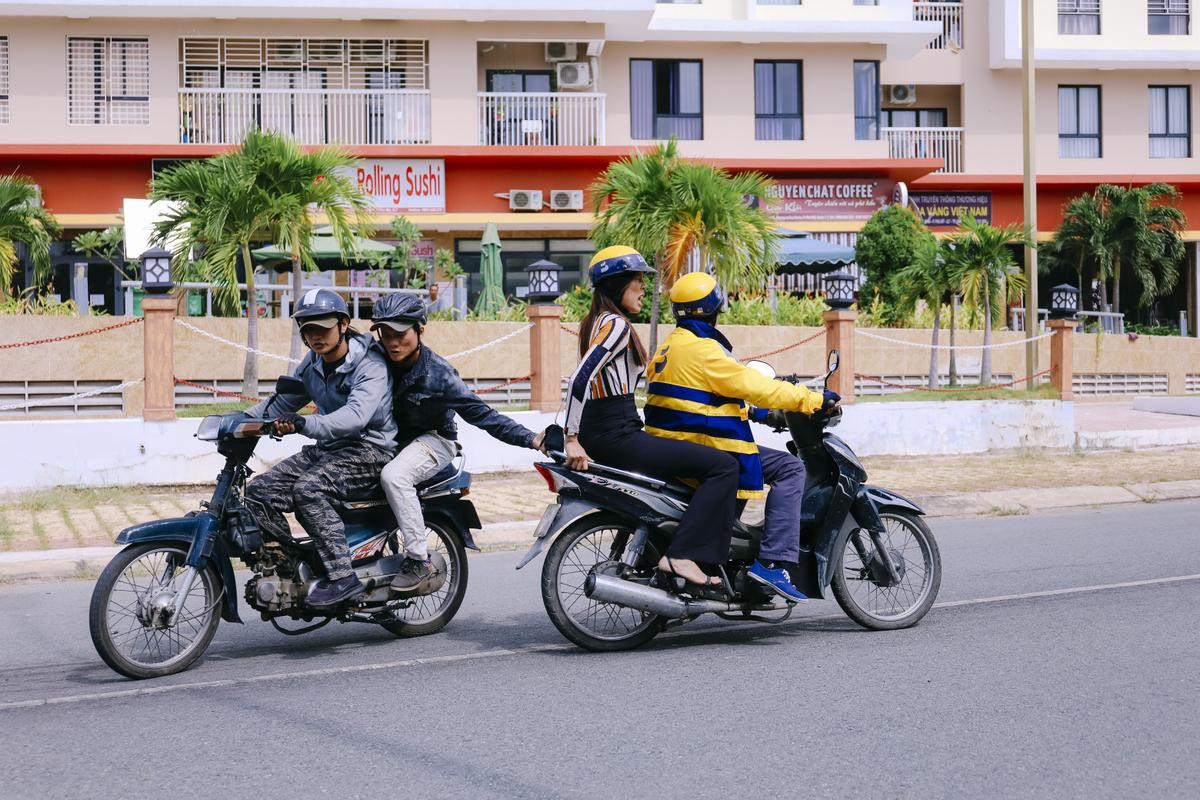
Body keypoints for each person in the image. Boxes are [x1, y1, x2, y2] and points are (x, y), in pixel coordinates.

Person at [644, 272, 839, 602]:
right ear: (713, 309)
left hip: (676, 440)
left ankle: (718, 556)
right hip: (703, 443)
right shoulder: (706, 351)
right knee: (790, 469)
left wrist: (756, 413)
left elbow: (704, 399)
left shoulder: (671, 346)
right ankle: (772, 562)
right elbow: (756, 386)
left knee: (750, 468)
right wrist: (813, 399)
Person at [563, 245, 737, 588]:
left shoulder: (597, 322)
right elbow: (580, 378)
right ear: (617, 284)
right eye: (637, 280)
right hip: (617, 435)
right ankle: (682, 556)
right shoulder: (615, 325)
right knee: (724, 466)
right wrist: (571, 438)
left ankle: (675, 553)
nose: (645, 287)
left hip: (612, 430)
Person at [370, 293, 546, 593]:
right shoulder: (373, 358)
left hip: (434, 440)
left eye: (400, 334)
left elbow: (482, 415)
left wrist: (532, 438)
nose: (392, 342)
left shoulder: (439, 374)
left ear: (420, 330)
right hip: (391, 441)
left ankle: (419, 560)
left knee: (395, 477)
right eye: (386, 335)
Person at [244, 288, 398, 608]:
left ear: (343, 324)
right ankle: (288, 569)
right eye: (308, 329)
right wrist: (236, 422)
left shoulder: (369, 363)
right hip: (331, 448)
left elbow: (356, 417)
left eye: (323, 327)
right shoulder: (312, 362)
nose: (315, 336)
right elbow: (284, 402)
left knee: (308, 489)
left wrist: (303, 425)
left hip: (370, 450)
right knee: (259, 490)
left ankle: (343, 577)